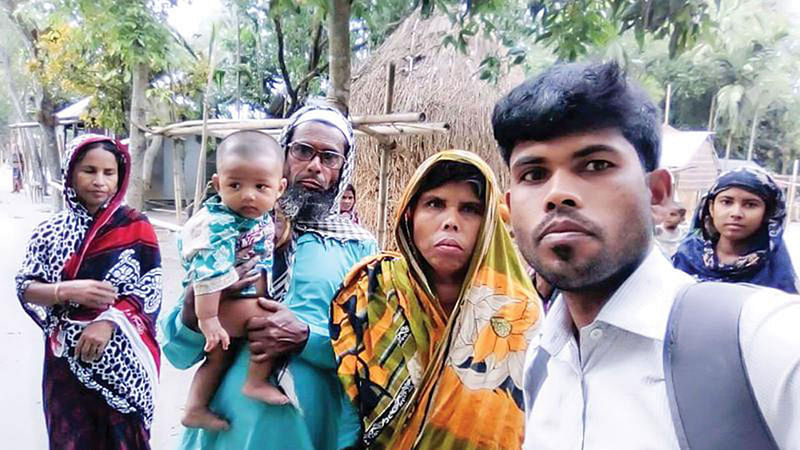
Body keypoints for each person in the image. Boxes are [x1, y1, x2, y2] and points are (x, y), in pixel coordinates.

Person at [491, 61, 800, 449]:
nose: (557, 193)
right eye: (534, 174)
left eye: (596, 164)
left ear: (656, 192)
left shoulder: (760, 340)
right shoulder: (542, 358)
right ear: (509, 207)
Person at [160, 104, 378, 450]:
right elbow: (176, 352)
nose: (315, 166)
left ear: (343, 168)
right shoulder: (227, 229)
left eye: (330, 157)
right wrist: (195, 303)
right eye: (303, 151)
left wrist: (306, 339)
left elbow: (369, 352)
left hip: (310, 431)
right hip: (227, 431)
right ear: (282, 154)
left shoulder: (360, 248)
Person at [331, 150, 542, 449]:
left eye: (470, 209)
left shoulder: (517, 314)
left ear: (490, 224)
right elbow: (348, 412)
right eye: (435, 204)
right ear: (409, 214)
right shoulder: (374, 289)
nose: (451, 222)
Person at [15, 134, 162, 449]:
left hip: (123, 362)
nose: (100, 181)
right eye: (89, 170)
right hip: (66, 361)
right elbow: (26, 287)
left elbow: (150, 285)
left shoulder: (136, 226)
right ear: (70, 172)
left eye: (109, 173)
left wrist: (108, 322)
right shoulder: (49, 232)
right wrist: (65, 290)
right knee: (72, 437)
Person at [178, 131, 288, 431]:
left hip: (233, 302)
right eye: (235, 185)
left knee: (216, 361)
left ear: (279, 189)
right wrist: (208, 318)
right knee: (269, 324)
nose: (248, 195)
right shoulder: (220, 223)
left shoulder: (260, 216)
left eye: (260, 186)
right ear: (217, 185)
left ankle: (195, 407)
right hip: (220, 306)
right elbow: (207, 272)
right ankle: (255, 381)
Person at [673, 167, 799, 293]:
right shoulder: (688, 256)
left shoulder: (775, 270)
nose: (736, 213)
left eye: (750, 204)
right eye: (726, 202)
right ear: (711, 208)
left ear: (767, 213)